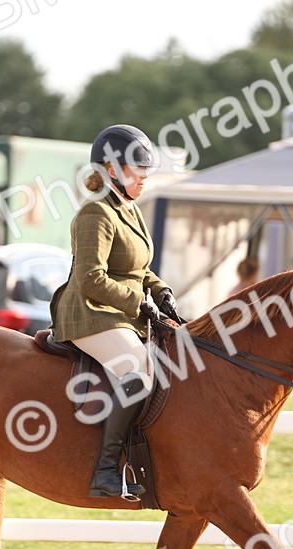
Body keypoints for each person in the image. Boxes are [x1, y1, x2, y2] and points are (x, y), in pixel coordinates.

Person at [49, 124, 186, 499]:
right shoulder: (95, 213)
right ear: (111, 170)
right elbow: (92, 278)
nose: (144, 178)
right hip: (90, 312)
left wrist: (161, 292)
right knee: (137, 370)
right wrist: (138, 303)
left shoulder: (129, 209)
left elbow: (138, 269)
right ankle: (106, 470)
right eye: (136, 171)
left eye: (145, 172)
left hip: (122, 312)